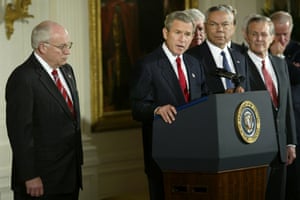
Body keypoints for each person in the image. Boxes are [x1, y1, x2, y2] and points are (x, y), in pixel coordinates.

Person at [130, 10, 208, 200]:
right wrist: (156, 109)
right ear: (165, 33)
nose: (183, 39)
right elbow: (136, 107)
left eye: (188, 34)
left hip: (196, 153)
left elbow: (205, 99)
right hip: (163, 155)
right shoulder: (148, 64)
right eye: (178, 33)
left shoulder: (194, 63)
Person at [5, 20, 83, 200]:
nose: (68, 51)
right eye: (62, 46)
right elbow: (20, 133)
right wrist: (30, 175)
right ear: (42, 47)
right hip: (40, 179)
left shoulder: (67, 71)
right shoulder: (23, 78)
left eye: (69, 45)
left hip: (70, 174)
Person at [243, 14, 297, 200]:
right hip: (254, 150)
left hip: (281, 150)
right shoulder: (239, 65)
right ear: (246, 36)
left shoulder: (280, 64)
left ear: (272, 36)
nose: (259, 39)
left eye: (264, 34)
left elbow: (287, 104)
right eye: (254, 34)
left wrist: (290, 142)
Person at [269, 11, 300, 200]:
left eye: (285, 35)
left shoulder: (297, 50)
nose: (281, 39)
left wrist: (280, 60)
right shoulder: (259, 50)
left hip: (296, 126)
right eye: (277, 34)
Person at [187, 5, 249, 94]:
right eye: (213, 24)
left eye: (225, 24)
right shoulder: (191, 57)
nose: (220, 29)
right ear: (205, 27)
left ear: (233, 27)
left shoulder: (241, 57)